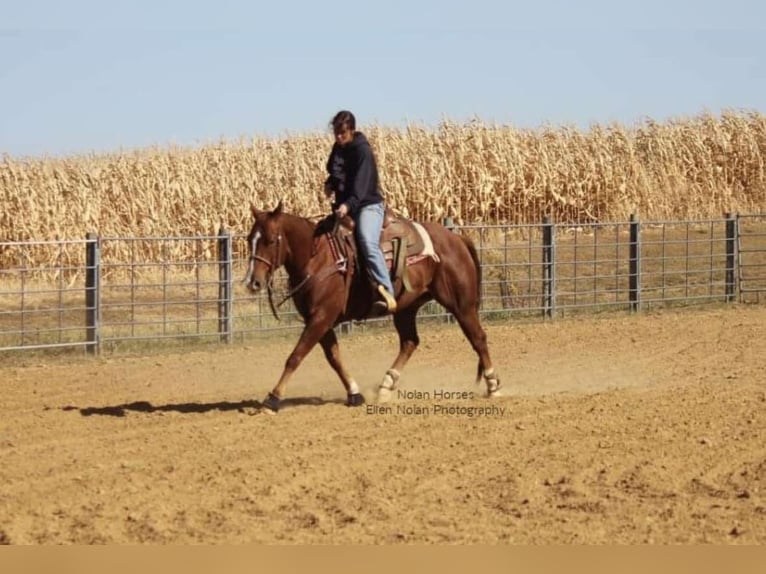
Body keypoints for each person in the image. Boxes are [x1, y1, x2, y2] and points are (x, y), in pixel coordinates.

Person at [324, 110, 397, 315]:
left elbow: (361, 184)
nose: (339, 137)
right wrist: (330, 184)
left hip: (367, 205)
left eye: (343, 133)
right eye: (336, 133)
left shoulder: (362, 151)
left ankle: (387, 291)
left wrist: (348, 204)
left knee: (367, 240)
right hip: (347, 206)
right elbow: (339, 175)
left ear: (352, 131)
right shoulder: (339, 149)